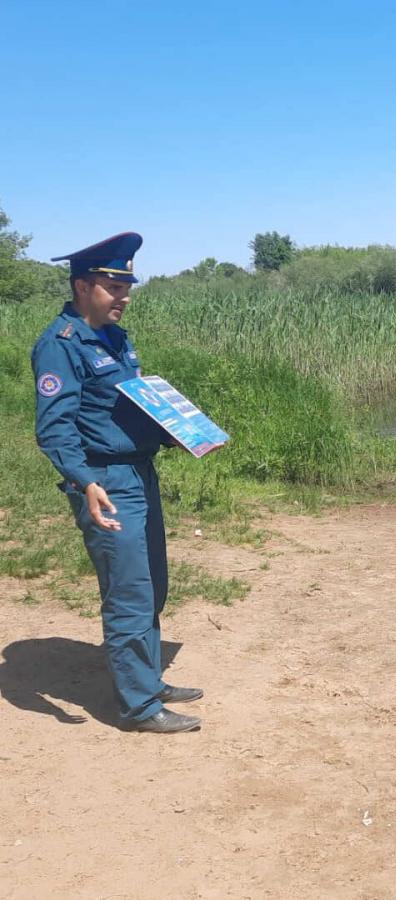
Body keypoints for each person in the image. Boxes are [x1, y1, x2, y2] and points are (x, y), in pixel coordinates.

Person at [32, 233, 203, 734]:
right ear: (83, 286)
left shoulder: (114, 337)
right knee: (128, 591)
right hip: (105, 481)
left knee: (152, 584)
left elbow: (126, 406)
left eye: (127, 286)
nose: (124, 296)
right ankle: (140, 706)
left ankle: (146, 676)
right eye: (113, 287)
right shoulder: (60, 345)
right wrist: (83, 481)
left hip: (138, 472)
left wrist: (176, 432)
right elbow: (55, 428)